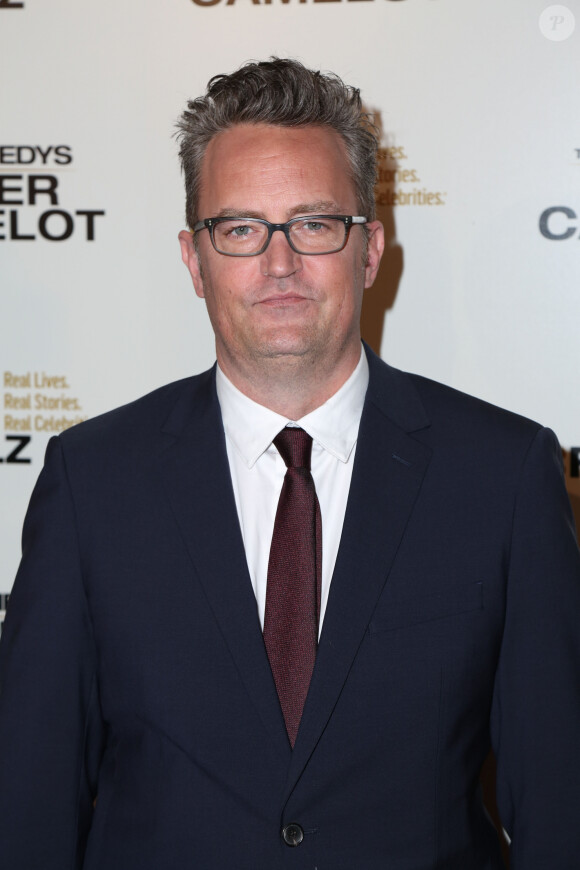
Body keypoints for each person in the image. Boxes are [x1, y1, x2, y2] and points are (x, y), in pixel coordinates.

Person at [0, 58, 579, 870]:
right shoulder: (91, 482)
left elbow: (561, 807)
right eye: (240, 229)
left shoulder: (504, 474)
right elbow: (29, 806)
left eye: (313, 224)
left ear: (370, 249)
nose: (278, 264)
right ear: (194, 260)